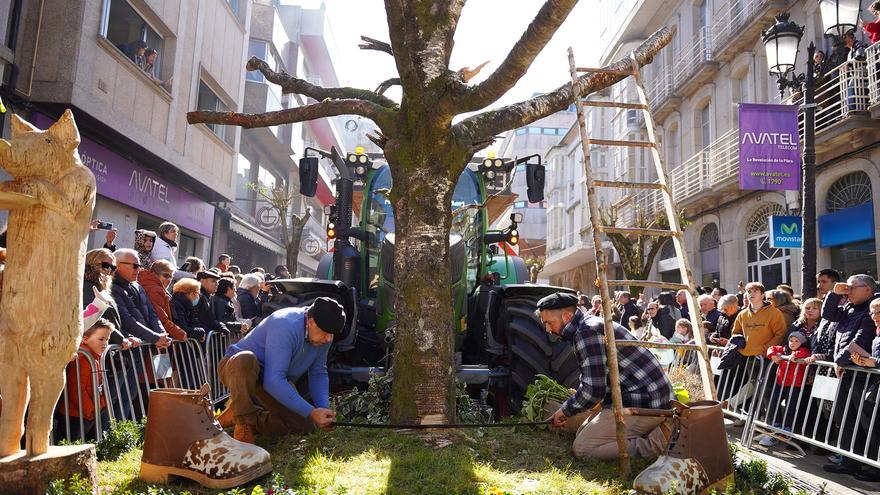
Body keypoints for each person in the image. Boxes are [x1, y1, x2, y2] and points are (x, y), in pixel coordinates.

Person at [539, 292, 674, 460]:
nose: (548, 329)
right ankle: (651, 431)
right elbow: (597, 382)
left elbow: (593, 390)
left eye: (549, 323)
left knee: (582, 448)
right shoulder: (588, 325)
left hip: (647, 404)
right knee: (581, 432)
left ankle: (658, 442)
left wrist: (565, 410)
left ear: (567, 316)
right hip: (643, 397)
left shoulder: (586, 332)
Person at [217, 297, 344, 443]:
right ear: (311, 321)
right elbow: (274, 381)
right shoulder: (285, 323)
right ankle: (243, 422)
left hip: (269, 379)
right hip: (236, 369)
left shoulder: (325, 334)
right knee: (246, 359)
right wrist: (311, 411)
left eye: (332, 334)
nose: (328, 339)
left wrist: (323, 410)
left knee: (304, 426)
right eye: (326, 333)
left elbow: (318, 373)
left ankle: (241, 412)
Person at [822, 275, 878, 478]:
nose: (848, 290)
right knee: (846, 417)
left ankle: (874, 465)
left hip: (862, 374)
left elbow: (861, 338)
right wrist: (833, 294)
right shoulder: (849, 307)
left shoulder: (872, 310)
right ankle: (848, 461)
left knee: (868, 421)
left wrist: (840, 360)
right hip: (847, 371)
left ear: (868, 290)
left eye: (852, 287)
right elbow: (828, 314)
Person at [57, 317, 114, 442]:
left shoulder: (95, 356)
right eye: (101, 339)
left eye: (107, 339)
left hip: (86, 412)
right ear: (85, 339)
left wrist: (99, 406)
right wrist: (91, 410)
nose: (105, 343)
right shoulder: (83, 359)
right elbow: (76, 389)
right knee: (69, 443)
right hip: (75, 414)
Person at [758, 332, 812, 446]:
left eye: (796, 341)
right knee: (773, 402)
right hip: (780, 383)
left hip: (795, 385)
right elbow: (771, 348)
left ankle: (787, 429)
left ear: (802, 342)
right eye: (791, 340)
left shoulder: (804, 350)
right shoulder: (785, 349)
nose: (792, 343)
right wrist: (773, 355)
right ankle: (776, 424)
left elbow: (805, 354)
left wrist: (796, 355)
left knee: (790, 407)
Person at [111, 249, 171, 347]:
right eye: (135, 266)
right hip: (129, 348)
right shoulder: (112, 288)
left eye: (139, 266)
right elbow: (127, 320)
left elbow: (152, 314)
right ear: (117, 265)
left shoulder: (138, 286)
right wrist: (155, 337)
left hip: (145, 345)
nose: (138, 269)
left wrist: (161, 334)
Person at [731, 282, 787, 358]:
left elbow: (780, 335)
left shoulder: (774, 313)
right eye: (749, 291)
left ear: (762, 295)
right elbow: (735, 333)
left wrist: (764, 349)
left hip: (767, 357)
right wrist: (741, 348)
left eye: (755, 291)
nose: (751, 294)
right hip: (747, 356)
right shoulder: (742, 314)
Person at [138, 260, 187, 342]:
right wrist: (180, 333)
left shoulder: (151, 285)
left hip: (152, 336)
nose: (169, 280)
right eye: (165, 275)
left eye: (171, 277)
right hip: (155, 338)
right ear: (154, 274)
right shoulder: (155, 290)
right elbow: (161, 318)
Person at [195, 269, 229, 336]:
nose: (217, 284)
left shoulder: (209, 296)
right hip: (198, 339)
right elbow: (196, 320)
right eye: (213, 281)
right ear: (202, 281)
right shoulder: (196, 296)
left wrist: (221, 326)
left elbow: (211, 320)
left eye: (217, 281)